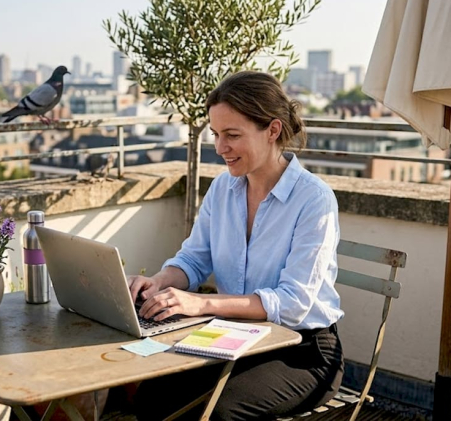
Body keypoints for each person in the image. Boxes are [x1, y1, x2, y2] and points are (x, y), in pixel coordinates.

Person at [128, 71, 344, 421]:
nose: (220, 147)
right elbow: (193, 260)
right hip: (236, 338)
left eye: (232, 135)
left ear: (273, 131)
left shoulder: (313, 199)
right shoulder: (222, 190)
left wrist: (199, 303)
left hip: (303, 351)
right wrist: (159, 282)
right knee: (153, 396)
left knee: (221, 411)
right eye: (216, 134)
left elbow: (292, 303)